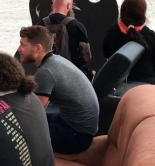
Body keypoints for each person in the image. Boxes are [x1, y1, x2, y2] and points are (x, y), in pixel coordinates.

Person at [18, 25, 99, 154]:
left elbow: (34, 113)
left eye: (23, 45)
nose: (19, 49)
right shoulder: (56, 60)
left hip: (77, 136)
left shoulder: (45, 72)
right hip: (79, 126)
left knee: (19, 131)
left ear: (38, 48)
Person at [104, 0, 155, 91]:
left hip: (120, 83)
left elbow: (106, 53)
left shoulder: (112, 32)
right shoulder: (149, 35)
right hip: (149, 82)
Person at [37, 0, 91, 70]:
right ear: (69, 6)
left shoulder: (39, 26)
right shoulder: (77, 26)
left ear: (52, 7)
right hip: (71, 72)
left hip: (46, 71)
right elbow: (86, 57)